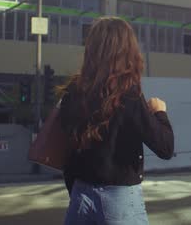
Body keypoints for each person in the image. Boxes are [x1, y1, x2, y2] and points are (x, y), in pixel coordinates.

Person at [57, 16, 174, 225]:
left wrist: (78, 189)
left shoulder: (74, 92)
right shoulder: (128, 94)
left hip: (80, 196)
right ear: (127, 50)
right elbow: (165, 147)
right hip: (119, 200)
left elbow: (68, 150)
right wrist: (160, 113)